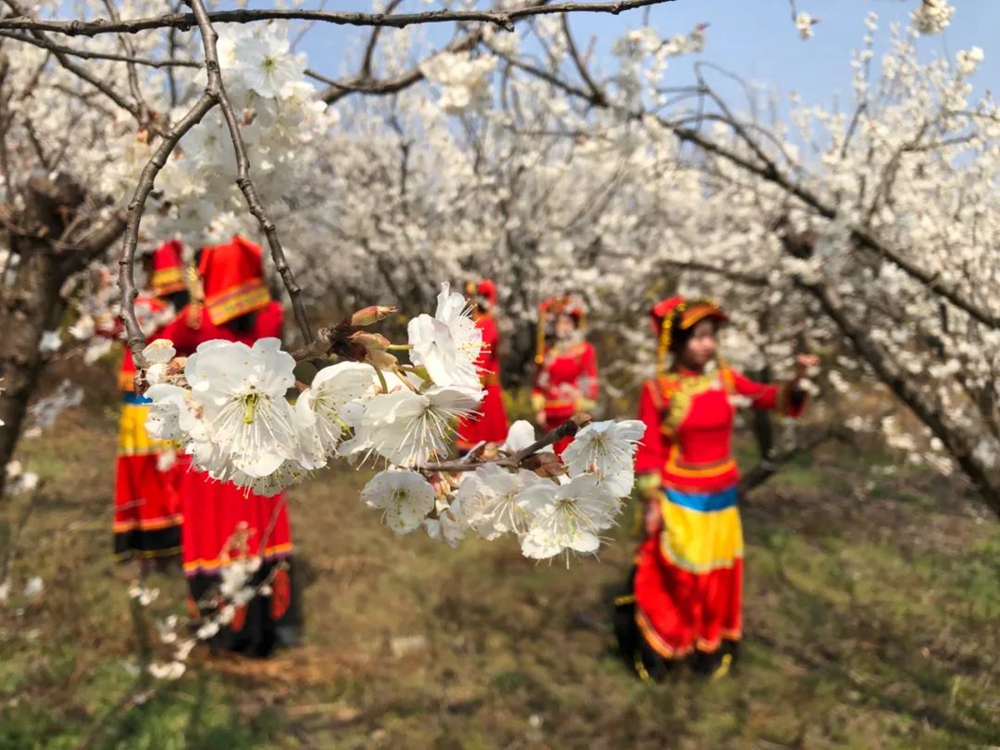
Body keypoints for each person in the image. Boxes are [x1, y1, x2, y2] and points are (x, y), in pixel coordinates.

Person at [615, 296, 817, 681]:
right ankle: (672, 642)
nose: (708, 344)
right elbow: (651, 449)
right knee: (683, 574)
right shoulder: (658, 390)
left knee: (718, 575)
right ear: (675, 344)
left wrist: (797, 380)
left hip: (723, 497)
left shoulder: (726, 380)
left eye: (712, 336)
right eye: (699, 337)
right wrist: (652, 501)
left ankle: (709, 641)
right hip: (680, 498)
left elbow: (770, 398)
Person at [159, 235, 299, 657]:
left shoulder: (196, 321)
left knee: (212, 525)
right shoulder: (270, 315)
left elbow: (161, 346)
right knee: (257, 520)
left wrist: (197, 300)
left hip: (208, 445)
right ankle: (266, 626)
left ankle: (221, 629)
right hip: (258, 441)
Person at [112, 240, 188, 567]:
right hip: (145, 402)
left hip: (157, 402)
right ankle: (160, 545)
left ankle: (155, 545)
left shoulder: (148, 308)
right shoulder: (154, 308)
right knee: (155, 477)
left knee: (155, 477)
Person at [531, 296, 598, 455]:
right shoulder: (548, 352)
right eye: (559, 323)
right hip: (551, 413)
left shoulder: (584, 350)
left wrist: (583, 403)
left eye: (567, 323)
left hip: (573, 412)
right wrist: (539, 409)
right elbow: (540, 383)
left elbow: (589, 379)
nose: (563, 327)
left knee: (574, 454)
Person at [455, 279, 510, 453]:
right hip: (479, 389)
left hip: (482, 393)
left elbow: (480, 359)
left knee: (480, 450)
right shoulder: (482, 323)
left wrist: (473, 392)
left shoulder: (484, 324)